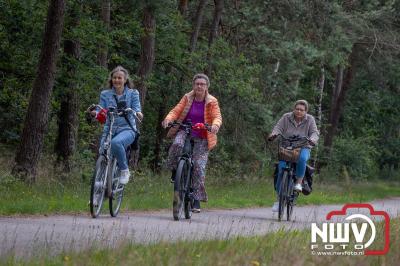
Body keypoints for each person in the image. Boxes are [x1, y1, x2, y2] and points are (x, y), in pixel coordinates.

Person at [162, 73, 222, 213]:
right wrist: (168, 119)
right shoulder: (187, 97)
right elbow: (176, 111)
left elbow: (217, 116)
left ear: (207, 87)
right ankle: (175, 170)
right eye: (197, 84)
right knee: (176, 145)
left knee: (198, 167)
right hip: (185, 130)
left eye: (202, 84)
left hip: (202, 136)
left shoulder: (212, 101)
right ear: (193, 85)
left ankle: (195, 199)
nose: (199, 86)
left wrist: (215, 125)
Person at [90, 66, 143, 185]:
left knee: (116, 143)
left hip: (127, 129)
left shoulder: (133, 93)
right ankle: (100, 191)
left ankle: (124, 170)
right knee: (102, 152)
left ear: (125, 80)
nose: (117, 80)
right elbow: (101, 110)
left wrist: (138, 114)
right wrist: (96, 113)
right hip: (109, 129)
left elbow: (137, 110)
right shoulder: (105, 94)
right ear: (111, 79)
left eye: (119, 78)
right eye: (114, 78)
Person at [268, 100, 319, 212]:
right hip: (287, 145)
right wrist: (274, 134)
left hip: (303, 146)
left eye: (302, 110)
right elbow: (278, 128)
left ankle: (299, 183)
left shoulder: (310, 119)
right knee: (281, 168)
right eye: (297, 109)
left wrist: (312, 140)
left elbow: (315, 133)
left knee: (302, 159)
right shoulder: (286, 117)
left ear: (306, 111)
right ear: (293, 109)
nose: (299, 111)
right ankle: (279, 199)